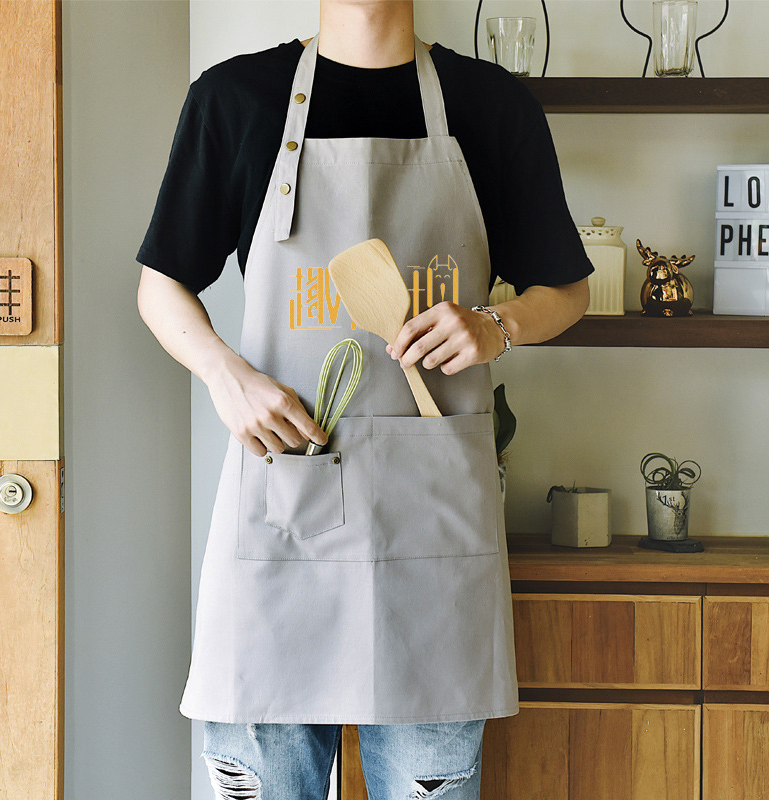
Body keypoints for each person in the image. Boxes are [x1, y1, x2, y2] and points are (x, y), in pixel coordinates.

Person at [136, 1, 592, 797]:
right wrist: (224, 373)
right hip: (283, 518)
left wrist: (497, 324)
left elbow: (567, 288)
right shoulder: (237, 97)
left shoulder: (491, 105)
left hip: (433, 539)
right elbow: (161, 284)